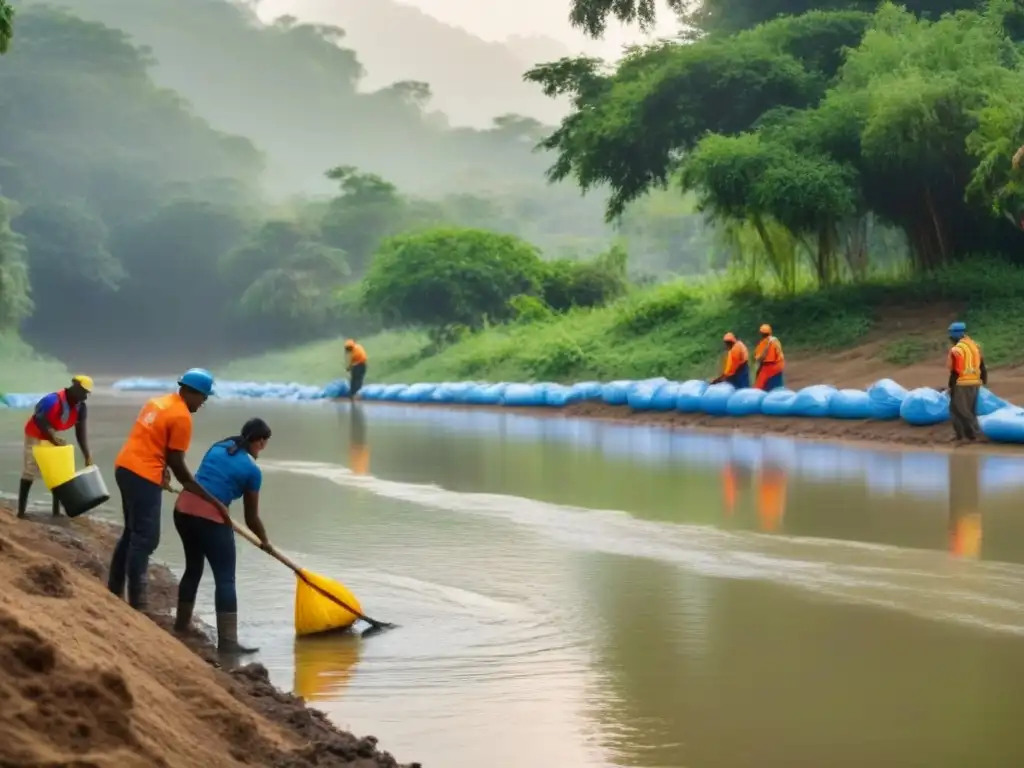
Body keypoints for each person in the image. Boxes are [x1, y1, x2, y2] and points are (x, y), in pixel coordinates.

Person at [107, 368, 229, 612]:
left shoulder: (158, 402)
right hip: (143, 475)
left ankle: (114, 589)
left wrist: (162, 469)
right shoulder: (182, 416)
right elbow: (178, 464)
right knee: (146, 539)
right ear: (191, 392)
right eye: (203, 398)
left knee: (132, 533)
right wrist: (205, 496)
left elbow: (151, 440)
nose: (202, 403)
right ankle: (137, 604)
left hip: (125, 467)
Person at [173, 418, 273, 654]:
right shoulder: (252, 471)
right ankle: (228, 644)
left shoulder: (218, 447)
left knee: (193, 568)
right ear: (259, 441)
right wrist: (265, 542)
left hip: (183, 511)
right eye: (264, 442)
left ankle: (181, 626)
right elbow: (251, 518)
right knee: (225, 579)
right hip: (211, 520)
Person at [18, 375, 94, 518]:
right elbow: (39, 418)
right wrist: (52, 436)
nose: (85, 397)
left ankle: (56, 511)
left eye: (87, 394)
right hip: (35, 434)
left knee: (57, 472)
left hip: (52, 436)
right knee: (30, 470)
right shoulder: (52, 400)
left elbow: (80, 432)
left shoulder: (81, 407)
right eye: (83, 392)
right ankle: (21, 512)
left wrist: (87, 455)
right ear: (75, 387)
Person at [943, 321, 986, 442]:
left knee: (958, 410)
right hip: (975, 382)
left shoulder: (956, 350)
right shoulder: (975, 346)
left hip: (961, 383)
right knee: (969, 409)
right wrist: (983, 380)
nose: (950, 338)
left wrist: (951, 386)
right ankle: (966, 436)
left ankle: (969, 436)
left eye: (951, 335)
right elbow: (982, 365)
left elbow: (955, 371)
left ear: (956, 335)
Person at [754, 324, 785, 391]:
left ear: (761, 334)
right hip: (778, 366)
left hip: (768, 367)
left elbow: (759, 359)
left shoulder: (763, 344)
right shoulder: (776, 340)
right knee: (778, 387)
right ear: (770, 332)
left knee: (758, 388)